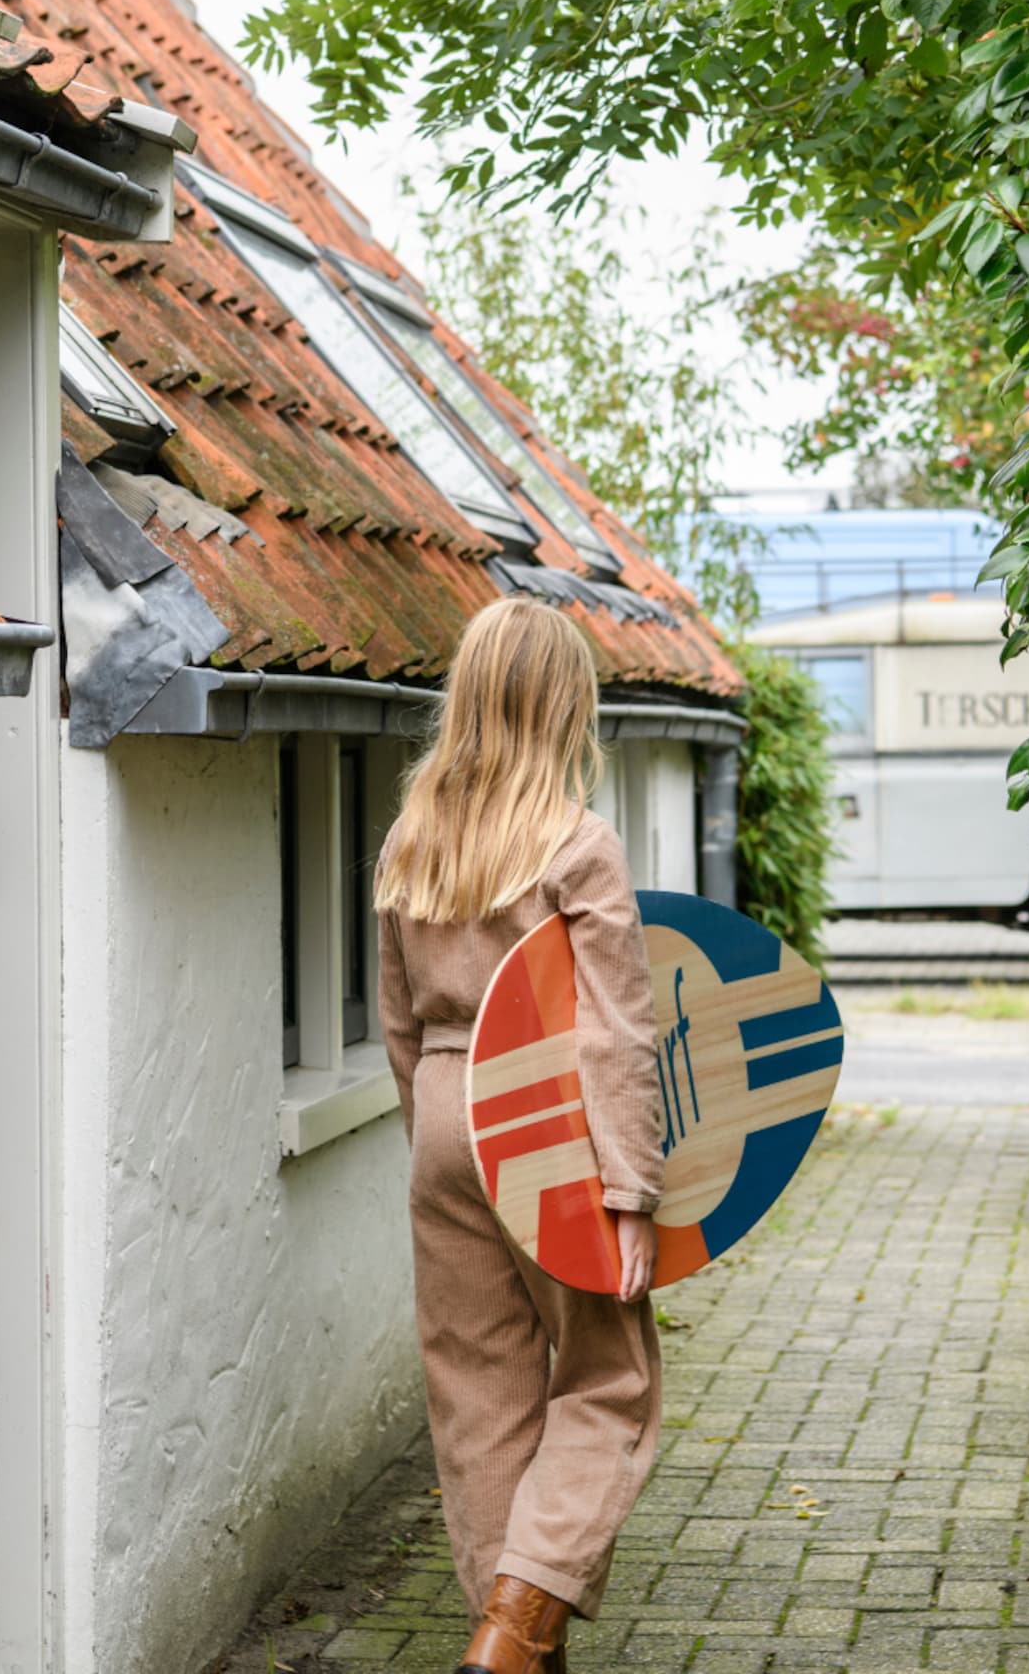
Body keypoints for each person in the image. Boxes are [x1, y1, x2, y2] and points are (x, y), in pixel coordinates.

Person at [374, 597, 666, 1674]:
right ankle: (511, 1634)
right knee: (609, 1377)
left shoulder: (412, 838)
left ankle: (514, 1648)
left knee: (478, 1396)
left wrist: (433, 1144)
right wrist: (631, 1185)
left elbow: (397, 1019)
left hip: (445, 1119)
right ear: (563, 708)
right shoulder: (576, 843)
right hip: (549, 1125)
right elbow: (616, 1029)